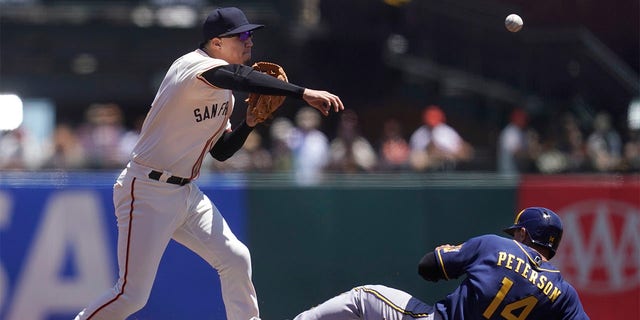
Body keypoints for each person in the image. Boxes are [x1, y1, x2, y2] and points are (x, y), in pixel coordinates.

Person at [74, 7, 343, 320]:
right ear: (216, 42)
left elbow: (222, 151)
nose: (250, 42)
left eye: (251, 35)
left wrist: (250, 123)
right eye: (242, 36)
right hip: (146, 189)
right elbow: (238, 76)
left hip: (185, 194)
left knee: (236, 258)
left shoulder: (224, 96)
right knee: (131, 295)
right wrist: (303, 92)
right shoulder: (191, 66)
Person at [293, 207, 590, 320]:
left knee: (363, 298)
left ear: (523, 233)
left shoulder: (497, 245)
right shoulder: (563, 293)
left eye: (516, 232)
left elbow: (428, 267)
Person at [409, 105, 473, 171]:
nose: (432, 125)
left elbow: (464, 151)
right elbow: (415, 156)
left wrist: (444, 153)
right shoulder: (418, 134)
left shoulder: (447, 131)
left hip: (449, 164)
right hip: (427, 169)